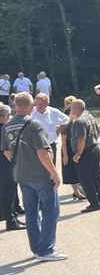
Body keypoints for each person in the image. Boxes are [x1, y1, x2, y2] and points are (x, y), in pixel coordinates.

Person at [1, 92, 66, 259]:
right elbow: (43, 152)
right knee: (51, 211)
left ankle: (36, 248)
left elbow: (7, 152)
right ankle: (46, 249)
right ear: (31, 105)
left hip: (21, 175)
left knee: (31, 213)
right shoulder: (34, 124)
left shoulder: (7, 126)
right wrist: (55, 173)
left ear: (15, 105)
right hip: (40, 174)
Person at [70, 99, 100, 213]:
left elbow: (81, 139)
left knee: (85, 179)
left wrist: (78, 153)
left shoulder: (79, 121)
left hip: (85, 152)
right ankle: (99, 199)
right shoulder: (90, 116)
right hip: (95, 149)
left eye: (72, 108)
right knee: (96, 176)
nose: (70, 110)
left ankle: (94, 203)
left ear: (76, 108)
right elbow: (98, 132)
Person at [0, 104, 25, 230]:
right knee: (8, 193)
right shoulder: (4, 129)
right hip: (5, 165)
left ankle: (12, 216)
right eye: (8, 115)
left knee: (8, 193)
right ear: (3, 116)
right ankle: (10, 221)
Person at [31, 93, 69, 164]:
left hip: (49, 145)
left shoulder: (53, 112)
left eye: (42, 103)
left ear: (47, 103)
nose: (39, 105)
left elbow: (67, 121)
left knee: (51, 168)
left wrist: (58, 131)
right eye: (38, 103)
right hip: (34, 147)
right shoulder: (30, 112)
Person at [60, 96, 85, 201]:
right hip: (68, 146)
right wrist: (65, 154)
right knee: (70, 170)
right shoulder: (66, 121)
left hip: (77, 145)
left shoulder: (80, 119)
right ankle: (76, 191)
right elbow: (63, 138)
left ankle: (80, 189)